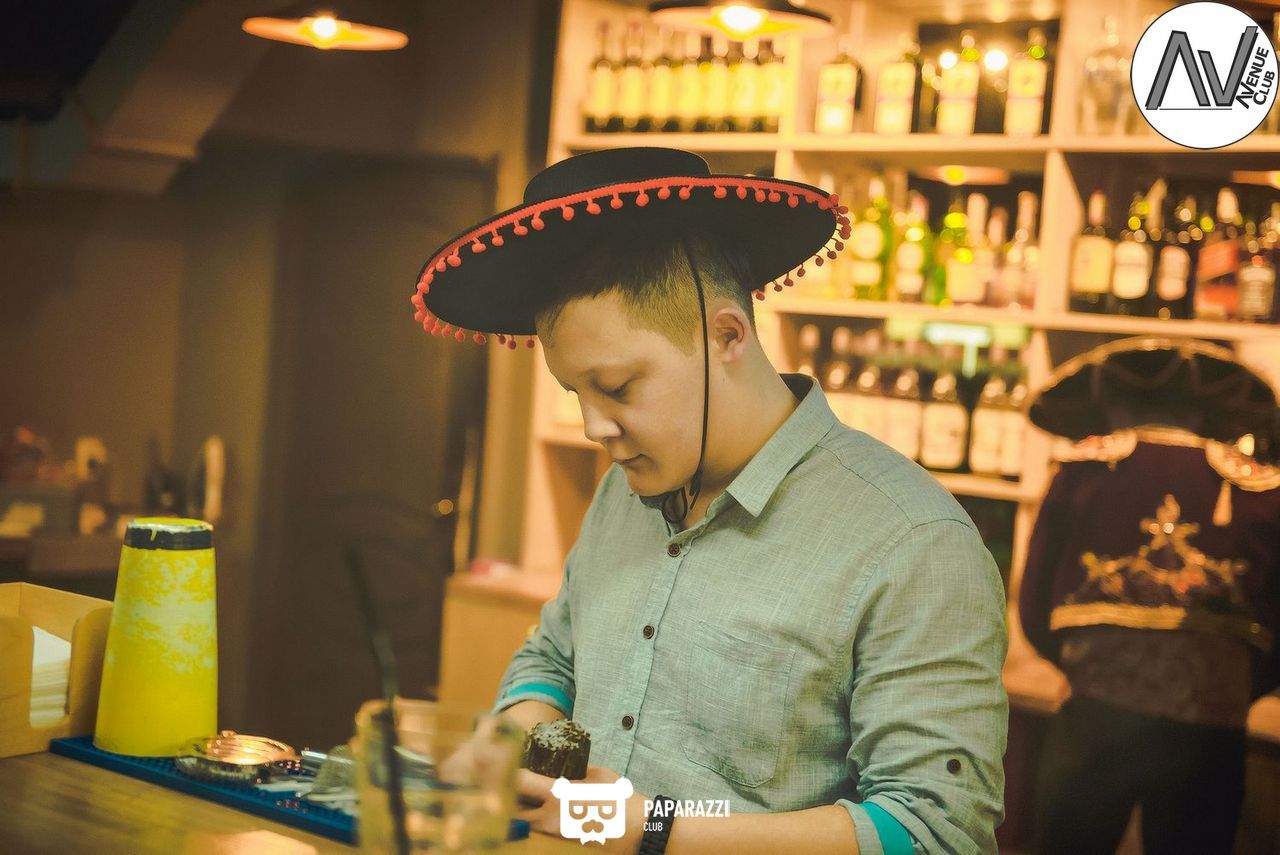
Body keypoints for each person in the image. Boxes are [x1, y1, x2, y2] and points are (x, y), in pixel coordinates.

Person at [412, 147, 1008, 854]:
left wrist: (651, 829)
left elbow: (936, 831)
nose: (595, 427)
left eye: (618, 388)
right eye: (577, 393)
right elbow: (556, 659)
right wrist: (507, 742)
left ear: (728, 335)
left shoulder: (914, 541)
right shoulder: (622, 489)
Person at [1018, 338, 1280, 855]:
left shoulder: (1083, 472)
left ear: (1113, 404)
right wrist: (1232, 690)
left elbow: (1034, 605)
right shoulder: (1261, 491)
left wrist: (1082, 666)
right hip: (1211, 731)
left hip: (1094, 715)